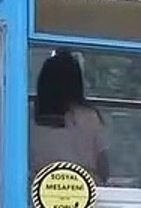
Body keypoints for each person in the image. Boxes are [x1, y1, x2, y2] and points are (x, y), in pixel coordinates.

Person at [30, 51, 109, 182]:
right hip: (84, 187)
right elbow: (104, 170)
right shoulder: (90, 117)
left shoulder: (26, 117)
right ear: (77, 84)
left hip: (39, 186)